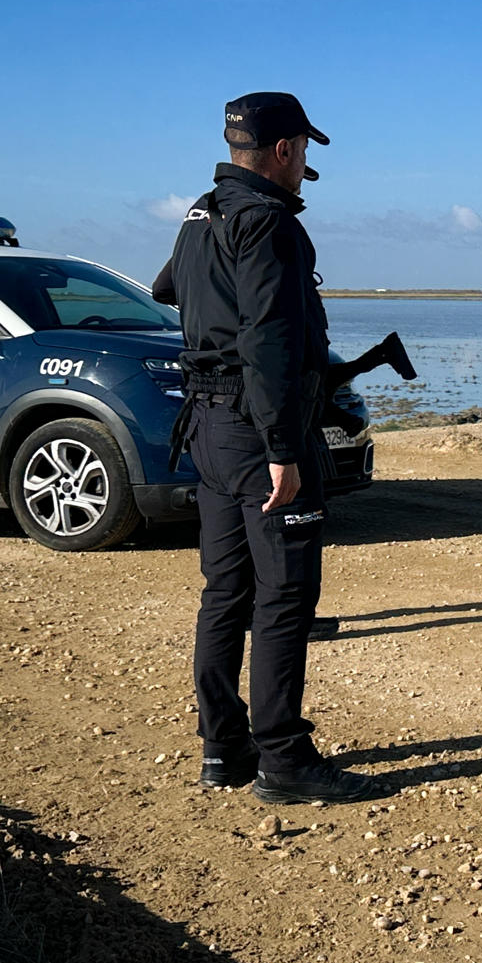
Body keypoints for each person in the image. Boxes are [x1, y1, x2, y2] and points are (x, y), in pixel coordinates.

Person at [154, 91, 385, 805]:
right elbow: (270, 340)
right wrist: (284, 447)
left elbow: (167, 289)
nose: (305, 162)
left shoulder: (203, 212)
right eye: (303, 150)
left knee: (226, 590)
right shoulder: (269, 222)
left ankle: (223, 747)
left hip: (207, 426)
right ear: (284, 150)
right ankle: (283, 759)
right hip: (257, 435)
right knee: (284, 595)